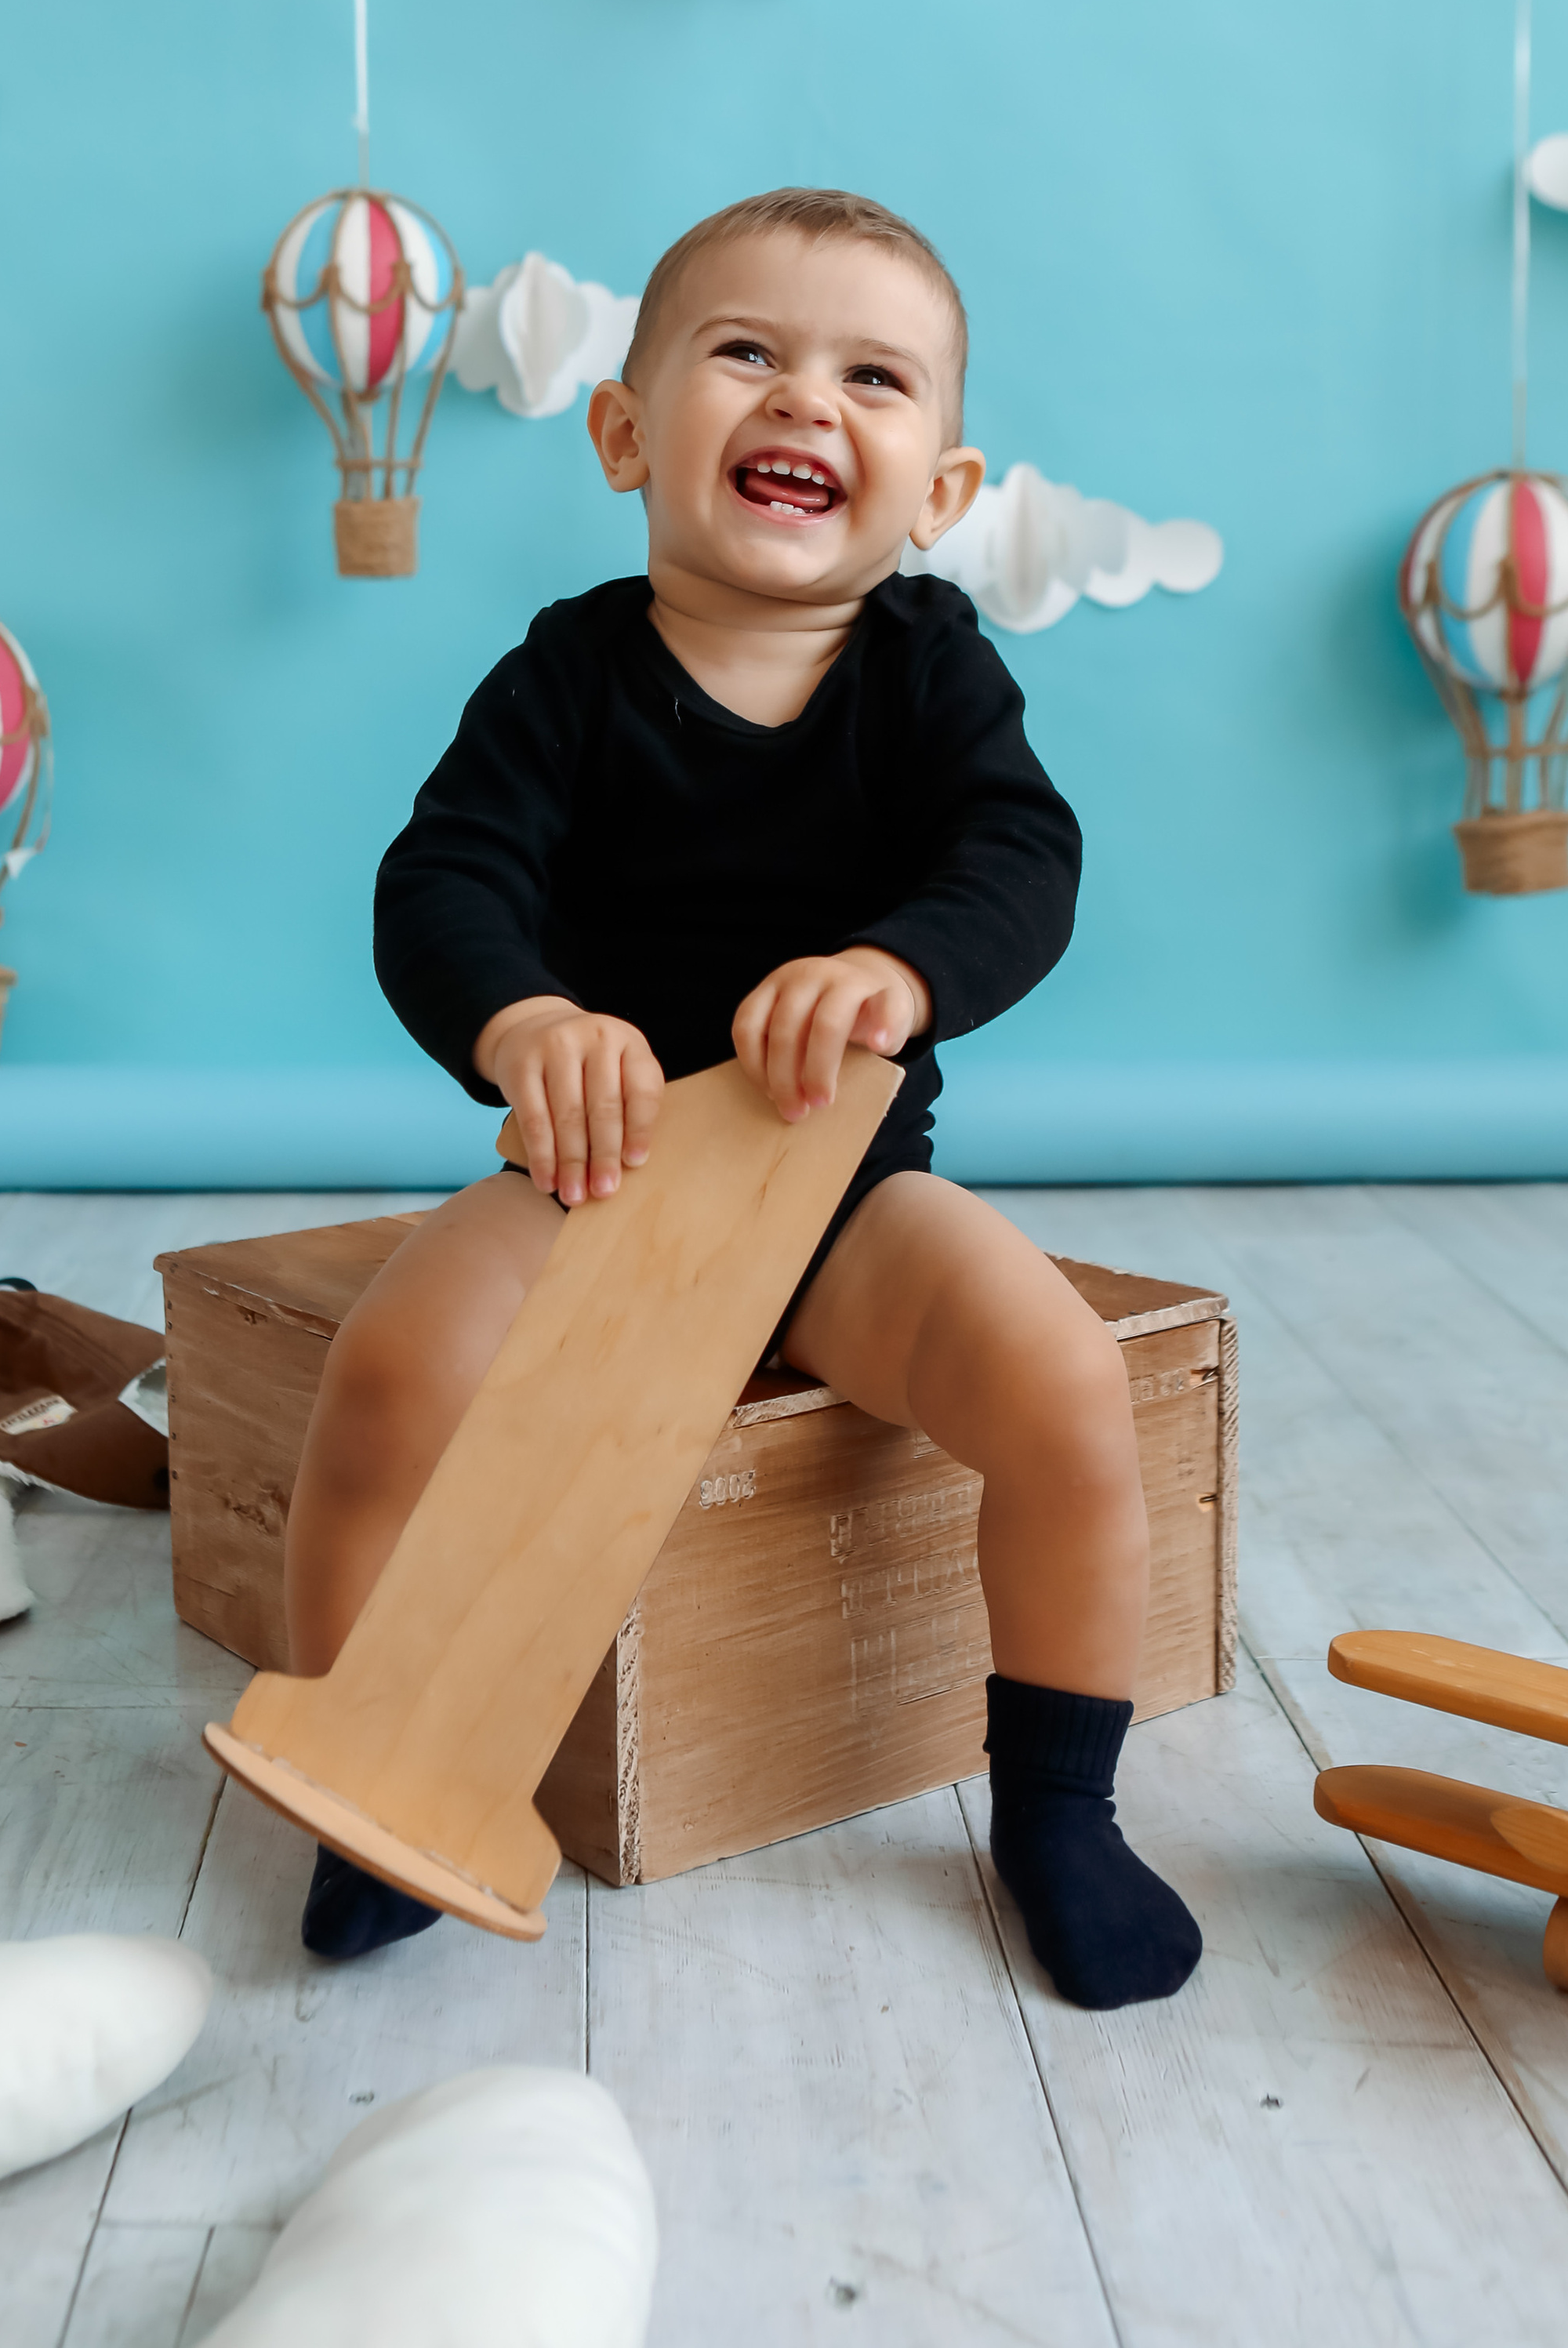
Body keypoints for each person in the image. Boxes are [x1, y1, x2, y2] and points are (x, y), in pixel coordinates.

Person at [281, 187, 1202, 2011]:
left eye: (871, 377)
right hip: (594, 1176)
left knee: (1064, 1380)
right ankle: (367, 1762)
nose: (804, 403)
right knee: (389, 1371)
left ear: (936, 489)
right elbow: (440, 883)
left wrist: (903, 966)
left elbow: (1020, 858)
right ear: (626, 433)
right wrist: (525, 1020)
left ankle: (1061, 1809)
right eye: (744, 355)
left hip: (842, 1200)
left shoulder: (930, 669)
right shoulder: (564, 675)